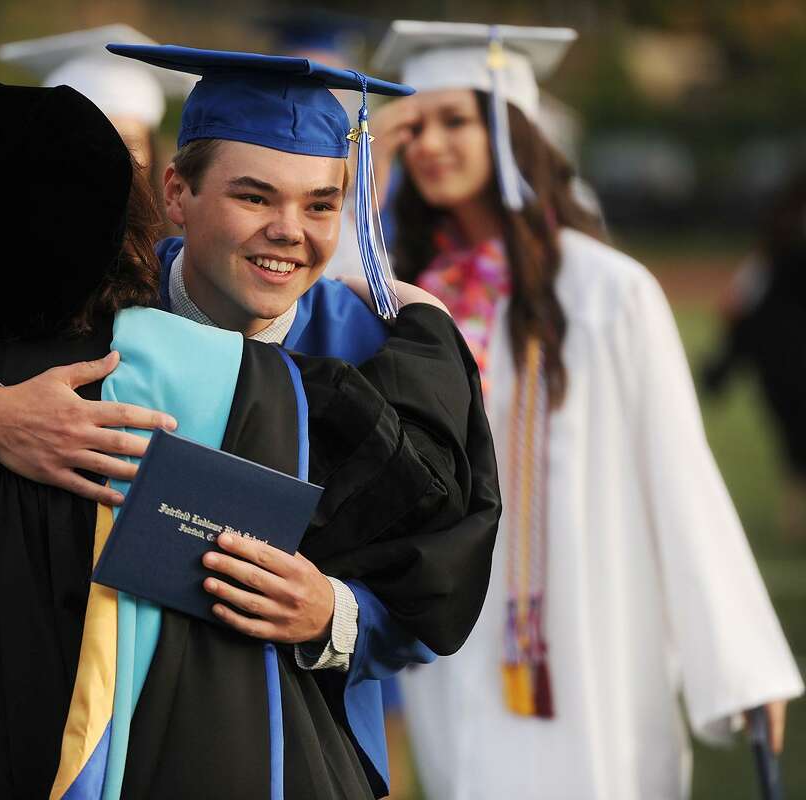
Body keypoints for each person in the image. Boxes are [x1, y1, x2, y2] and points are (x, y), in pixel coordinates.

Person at [0, 45, 502, 797]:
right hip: (81, 727)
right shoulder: (100, 298)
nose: (291, 230)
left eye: (320, 204)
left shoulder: (368, 349)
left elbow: (439, 567)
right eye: (254, 197)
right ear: (177, 194)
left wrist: (332, 614)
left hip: (287, 741)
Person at [362, 20, 804, 799]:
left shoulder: (607, 291)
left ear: (512, 132)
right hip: (459, 625)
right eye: (416, 125)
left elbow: (681, 479)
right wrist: (373, 171)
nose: (430, 143)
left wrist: (741, 667)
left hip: (589, 614)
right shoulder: (410, 294)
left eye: (455, 120)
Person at [702, 168, 806, 540]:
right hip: (784, 352)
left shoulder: (777, 241)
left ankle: (794, 513)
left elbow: (738, 305)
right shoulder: (778, 246)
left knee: (794, 439)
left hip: (778, 355)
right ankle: (794, 513)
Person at [0, 24, 195, 174]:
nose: (108, 155)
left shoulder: (186, 230)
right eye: (86, 139)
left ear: (151, 150)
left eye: (127, 143)